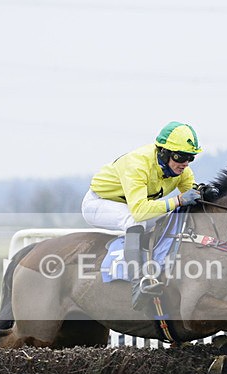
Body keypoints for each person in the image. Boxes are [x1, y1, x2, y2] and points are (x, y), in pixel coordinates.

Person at [81, 121, 204, 309]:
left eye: (191, 158)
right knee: (134, 221)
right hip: (99, 203)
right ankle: (138, 282)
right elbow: (139, 212)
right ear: (164, 153)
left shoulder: (182, 170)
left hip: (131, 204)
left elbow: (192, 195)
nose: (185, 163)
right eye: (181, 157)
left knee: (170, 217)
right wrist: (177, 200)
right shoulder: (138, 164)